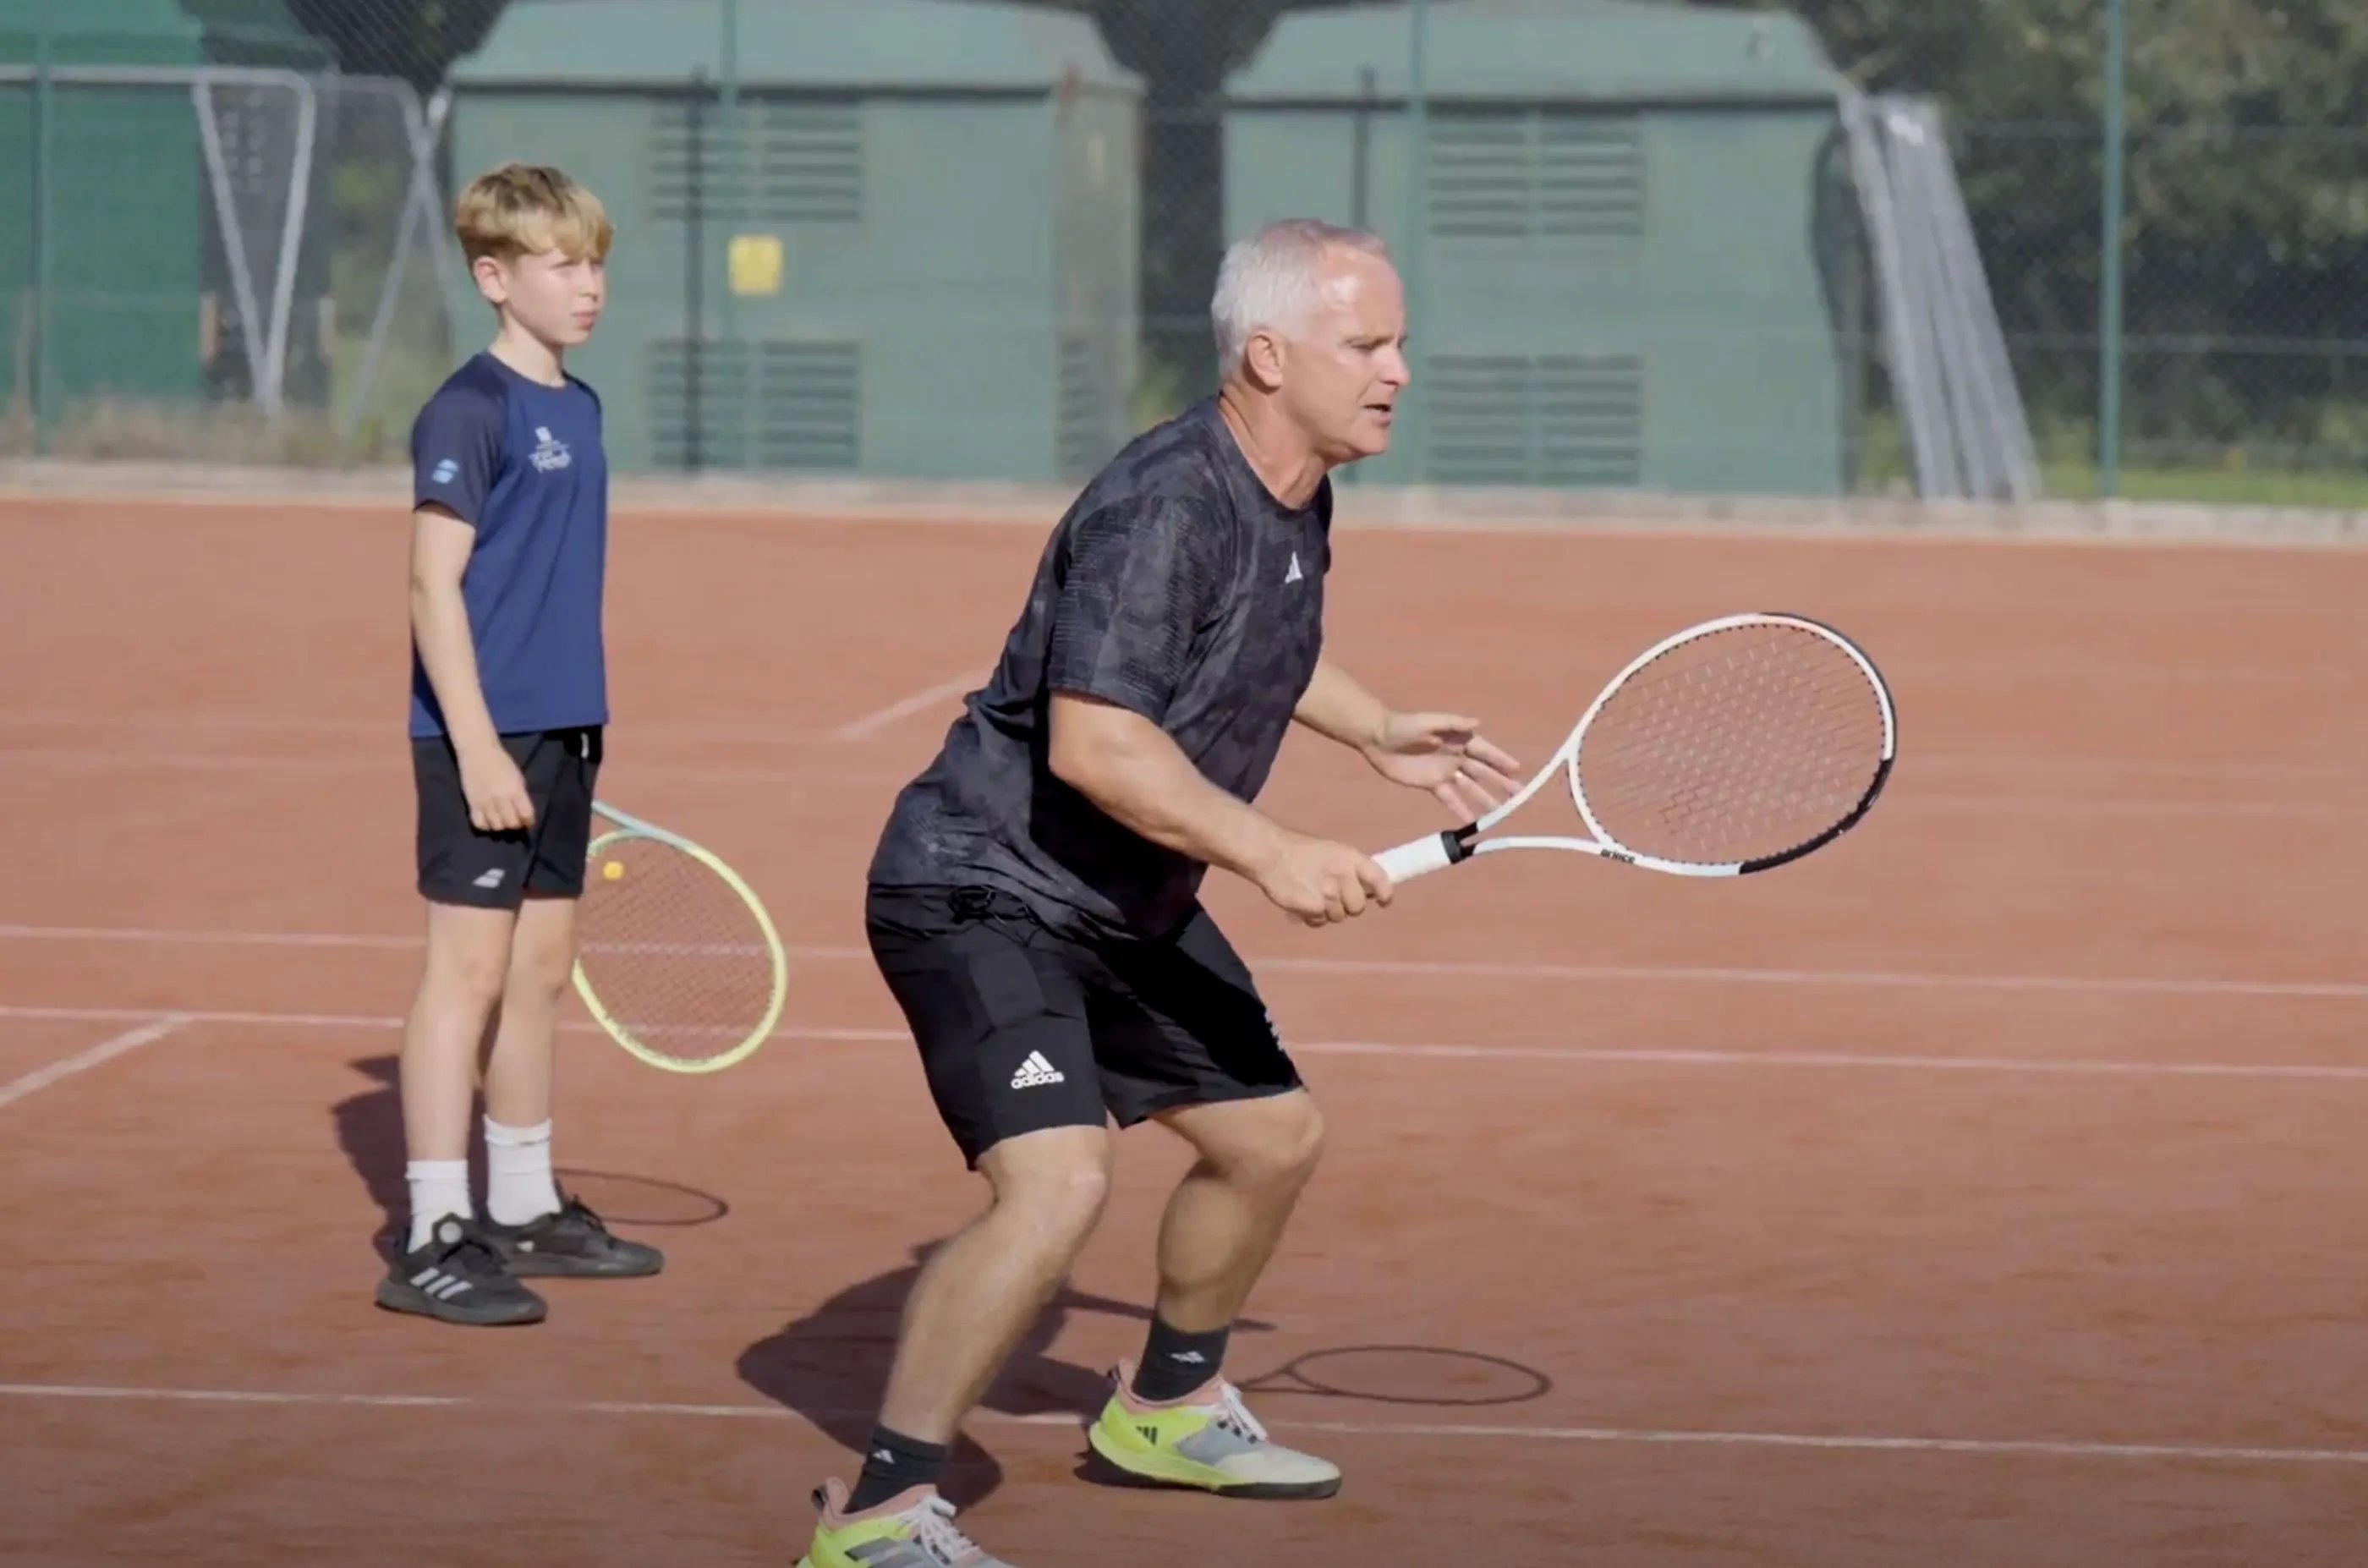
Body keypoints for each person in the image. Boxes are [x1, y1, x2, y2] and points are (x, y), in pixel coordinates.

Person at [796, 218, 1524, 1567]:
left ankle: (1167, 1407)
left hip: (1120, 901)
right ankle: (882, 1518)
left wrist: (1374, 729)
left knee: (1272, 1138)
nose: (1400, 370)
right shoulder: (1165, 502)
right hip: (984, 887)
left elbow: (1262, 639)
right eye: (1367, 344)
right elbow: (1096, 741)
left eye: (1399, 342)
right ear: (1269, 354)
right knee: (1058, 1185)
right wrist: (1273, 848)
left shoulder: (1293, 486)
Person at [375, 162, 661, 1329]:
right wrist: (483, 748)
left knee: (541, 975)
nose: (589, 285)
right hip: (476, 737)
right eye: (563, 265)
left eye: (596, 262)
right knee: (469, 975)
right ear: (495, 278)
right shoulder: (468, 411)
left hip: (567, 733)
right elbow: (431, 587)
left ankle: (526, 1200)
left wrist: (561, 737)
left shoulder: (579, 407)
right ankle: (439, 1228)